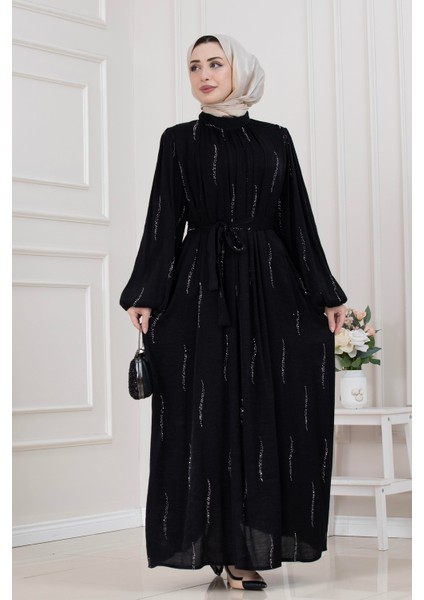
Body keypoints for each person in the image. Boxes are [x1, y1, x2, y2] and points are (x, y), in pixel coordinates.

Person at [120, 33, 347, 591]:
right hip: (200, 290)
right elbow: (163, 220)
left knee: (267, 412)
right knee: (207, 415)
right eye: (194, 66)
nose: (204, 75)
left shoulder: (275, 139)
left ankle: (250, 543)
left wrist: (326, 293)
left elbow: (296, 220)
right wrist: (145, 293)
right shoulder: (178, 141)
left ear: (238, 70)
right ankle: (221, 548)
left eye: (215, 64)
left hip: (271, 288)